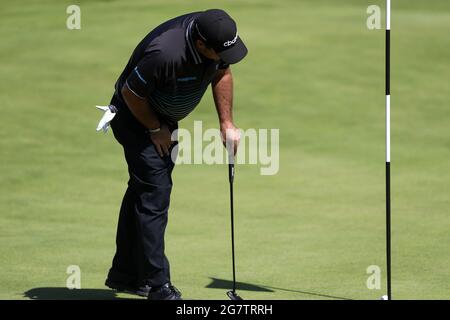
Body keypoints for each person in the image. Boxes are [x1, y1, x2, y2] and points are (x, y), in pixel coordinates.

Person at [102, 9, 248, 300]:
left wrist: (226, 123)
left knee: (143, 192)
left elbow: (223, 71)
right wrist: (155, 128)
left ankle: (127, 274)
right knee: (155, 193)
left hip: (163, 121)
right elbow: (132, 94)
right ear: (201, 45)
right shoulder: (166, 53)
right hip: (136, 119)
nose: (222, 57)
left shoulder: (213, 40)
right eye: (217, 52)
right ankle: (158, 287)